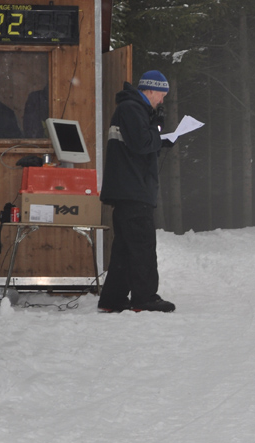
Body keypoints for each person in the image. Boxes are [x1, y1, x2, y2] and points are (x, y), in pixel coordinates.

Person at [97, 70, 176, 313]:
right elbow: (142, 143)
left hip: (128, 188)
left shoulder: (132, 109)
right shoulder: (132, 109)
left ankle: (113, 299)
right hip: (133, 189)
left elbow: (137, 144)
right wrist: (157, 128)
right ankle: (145, 298)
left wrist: (160, 138)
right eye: (161, 95)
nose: (161, 100)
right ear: (150, 90)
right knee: (142, 246)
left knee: (124, 248)